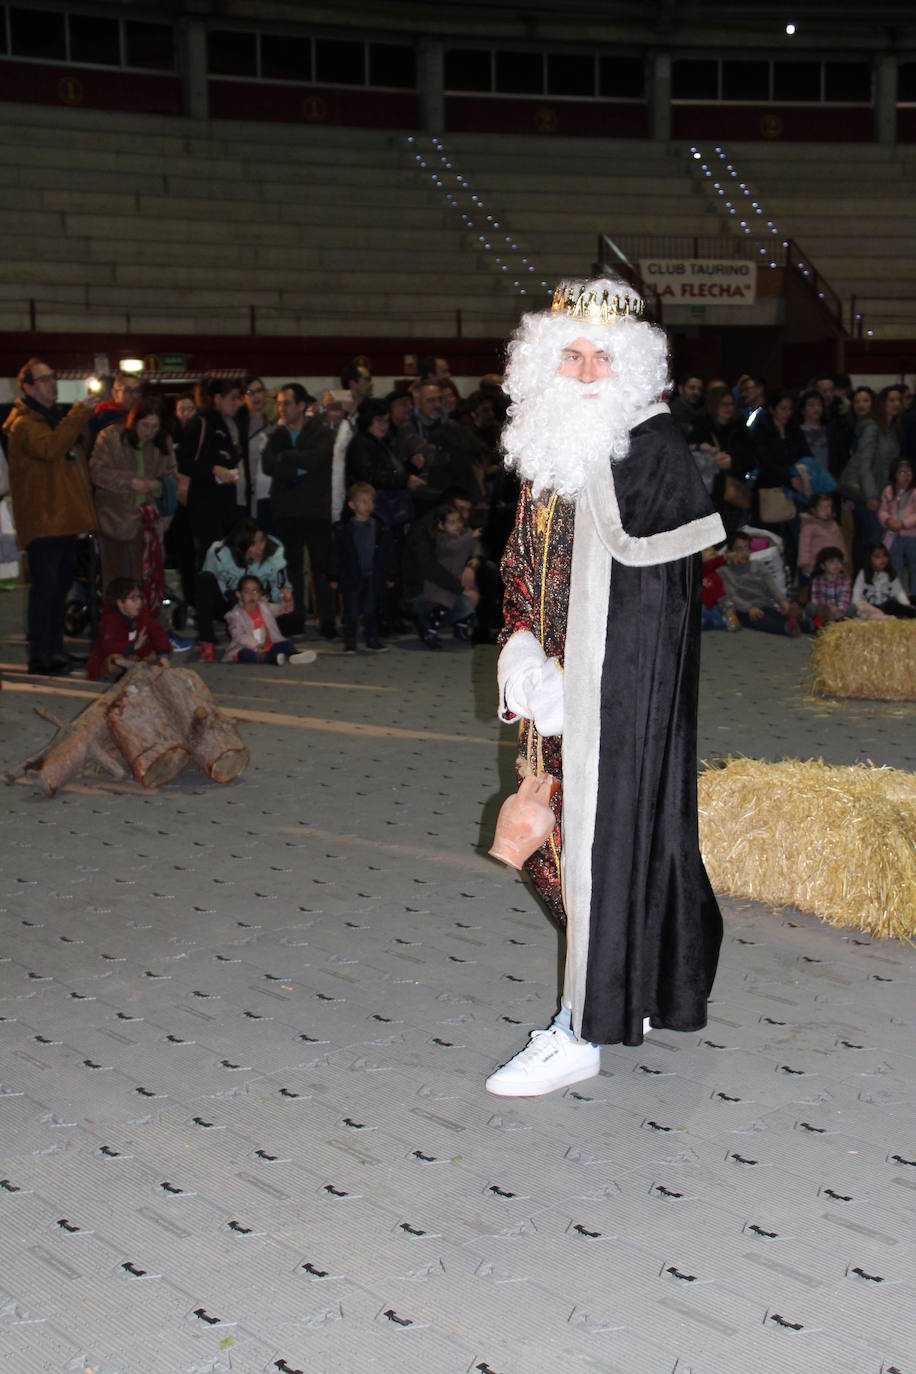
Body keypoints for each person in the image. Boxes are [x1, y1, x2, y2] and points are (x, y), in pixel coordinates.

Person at [486, 278, 725, 1098]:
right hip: (553, 689)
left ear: (633, 369)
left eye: (603, 359)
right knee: (565, 855)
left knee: (599, 850)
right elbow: (522, 566)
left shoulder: (651, 449)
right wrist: (520, 655)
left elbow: (654, 619)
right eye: (571, 355)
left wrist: (576, 693)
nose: (585, 374)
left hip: (610, 706)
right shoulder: (544, 443)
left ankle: (582, 1027)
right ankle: (639, 990)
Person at [3, 358, 96, 675]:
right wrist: (79, 414)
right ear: (27, 387)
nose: (51, 384)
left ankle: (55, 649)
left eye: (53, 378)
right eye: (43, 380)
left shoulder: (52, 419)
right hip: (44, 521)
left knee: (59, 590)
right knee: (45, 590)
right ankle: (41, 655)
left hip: (63, 520)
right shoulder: (23, 424)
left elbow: (72, 466)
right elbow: (51, 450)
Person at [262, 382, 338, 637]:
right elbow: (268, 465)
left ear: (302, 405)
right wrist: (298, 465)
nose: (282, 408)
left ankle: (326, 621)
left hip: (316, 510)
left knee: (321, 568)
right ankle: (294, 619)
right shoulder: (277, 435)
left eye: (287, 403)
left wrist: (287, 458)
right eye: (280, 403)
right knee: (291, 568)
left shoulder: (321, 432)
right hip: (286, 510)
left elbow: (317, 460)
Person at [89, 396, 178, 602]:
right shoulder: (110, 437)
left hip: (147, 522)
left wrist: (156, 486)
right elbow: (96, 471)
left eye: (155, 427)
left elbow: (172, 475)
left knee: (145, 579)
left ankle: (143, 624)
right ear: (133, 421)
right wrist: (130, 482)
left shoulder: (161, 443)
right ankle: (117, 627)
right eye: (145, 425)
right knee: (116, 581)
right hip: (113, 520)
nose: (149, 432)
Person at [196, 518, 294, 662]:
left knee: (290, 623)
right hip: (228, 602)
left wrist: (285, 599)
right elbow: (206, 588)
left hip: (258, 605)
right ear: (241, 545)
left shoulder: (273, 550)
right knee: (204, 579)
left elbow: (281, 586)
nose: (260, 547)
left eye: (262, 540)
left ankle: (277, 648)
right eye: (253, 544)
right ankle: (207, 642)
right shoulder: (218, 552)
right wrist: (230, 597)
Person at [176, 378, 243, 560]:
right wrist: (213, 468)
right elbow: (183, 461)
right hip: (205, 506)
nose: (238, 403)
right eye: (233, 398)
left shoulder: (230, 425)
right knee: (211, 558)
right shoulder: (200, 423)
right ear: (217, 399)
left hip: (225, 504)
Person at [328, 482, 394, 654]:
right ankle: (350, 642)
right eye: (363, 501)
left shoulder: (380, 527)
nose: (368, 505)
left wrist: (390, 575)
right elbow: (337, 555)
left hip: (372, 576)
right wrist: (334, 577)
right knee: (351, 612)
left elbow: (387, 554)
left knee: (371, 610)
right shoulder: (345, 530)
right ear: (352, 505)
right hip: (352, 576)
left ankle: (372, 639)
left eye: (371, 501)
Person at [415, 501, 481, 649]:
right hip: (441, 587)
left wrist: (474, 559)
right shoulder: (443, 539)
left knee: (472, 605)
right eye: (451, 522)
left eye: (458, 521)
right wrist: (471, 535)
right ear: (441, 525)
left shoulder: (464, 535)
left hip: (458, 582)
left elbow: (476, 547)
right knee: (444, 608)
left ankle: (461, 627)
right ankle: (429, 630)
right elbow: (453, 547)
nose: (457, 525)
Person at [719, 530, 811, 636]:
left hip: (765, 606)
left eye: (747, 548)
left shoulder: (758, 566)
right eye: (739, 549)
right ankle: (787, 627)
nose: (744, 553)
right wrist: (749, 608)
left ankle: (811, 624)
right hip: (743, 610)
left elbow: (772, 586)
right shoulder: (724, 572)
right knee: (761, 621)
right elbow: (732, 596)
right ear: (729, 552)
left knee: (777, 614)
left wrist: (782, 601)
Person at [690, 384, 753, 536]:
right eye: (724, 404)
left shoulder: (740, 428)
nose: (729, 408)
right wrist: (711, 461)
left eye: (731, 404)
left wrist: (733, 461)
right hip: (709, 495)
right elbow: (690, 459)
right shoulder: (701, 428)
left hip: (733, 493)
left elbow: (751, 458)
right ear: (714, 405)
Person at [86, 577, 172, 680]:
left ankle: (140, 668)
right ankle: (131, 671)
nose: (139, 602)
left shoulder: (142, 615)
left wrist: (163, 655)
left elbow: (158, 633)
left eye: (140, 598)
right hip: (114, 656)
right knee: (114, 661)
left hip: (135, 656)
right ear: (120, 603)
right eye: (133, 599)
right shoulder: (109, 620)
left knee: (161, 650)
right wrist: (133, 647)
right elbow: (108, 645)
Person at [223, 574, 318, 665]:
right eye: (247, 591)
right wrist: (256, 645)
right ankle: (271, 659)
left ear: (260, 594)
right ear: (239, 594)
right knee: (246, 654)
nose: (252, 595)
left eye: (255, 591)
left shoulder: (265, 607)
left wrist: (287, 600)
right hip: (247, 647)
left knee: (285, 644)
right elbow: (238, 635)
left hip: (269, 645)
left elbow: (282, 609)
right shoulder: (235, 615)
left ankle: (294, 655)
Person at [878, 457, 916, 594]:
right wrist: (888, 520)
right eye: (902, 472)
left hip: (913, 535)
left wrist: (904, 523)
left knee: (914, 566)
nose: (906, 475)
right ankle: (897, 596)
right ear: (894, 474)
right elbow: (882, 511)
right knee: (895, 567)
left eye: (909, 472)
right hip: (893, 536)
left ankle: (913, 597)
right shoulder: (888, 490)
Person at [242, 376, 276, 528]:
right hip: (246, 499)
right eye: (250, 392)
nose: (256, 395)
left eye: (259, 391)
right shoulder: (238, 428)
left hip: (271, 498)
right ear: (244, 398)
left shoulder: (275, 428)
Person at [851, 543, 915, 619]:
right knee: (864, 609)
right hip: (871, 607)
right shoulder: (863, 573)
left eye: (884, 555)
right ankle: (885, 617)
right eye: (877, 557)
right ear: (869, 559)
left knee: (907, 601)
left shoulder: (890, 573)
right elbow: (856, 593)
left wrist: (906, 604)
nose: (882, 559)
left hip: (887, 606)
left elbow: (899, 591)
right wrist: (859, 606)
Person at [796, 492, 844, 584]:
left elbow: (840, 542)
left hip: (834, 565)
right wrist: (805, 564)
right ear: (813, 510)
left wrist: (843, 558)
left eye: (830, 507)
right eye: (823, 508)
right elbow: (804, 547)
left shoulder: (834, 525)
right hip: (815, 566)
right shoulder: (808, 527)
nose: (827, 510)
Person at [89, 370, 142, 445]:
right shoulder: (107, 417)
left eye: (137, 390)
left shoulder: (142, 414)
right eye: (127, 390)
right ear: (114, 393)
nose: (134, 395)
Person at [808, 546, 851, 623]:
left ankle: (832, 621)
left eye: (839, 561)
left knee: (853, 608)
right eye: (832, 562)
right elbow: (815, 598)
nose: (836, 564)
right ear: (822, 566)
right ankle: (824, 621)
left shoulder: (845, 579)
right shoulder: (817, 580)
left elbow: (844, 597)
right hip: (823, 610)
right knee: (811, 607)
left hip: (839, 609)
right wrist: (828, 608)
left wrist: (839, 609)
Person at [700, 546, 740, 631]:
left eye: (714, 550)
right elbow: (711, 563)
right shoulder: (701, 569)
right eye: (707, 550)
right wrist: (726, 557)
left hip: (718, 605)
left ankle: (716, 622)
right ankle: (708, 622)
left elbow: (723, 590)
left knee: (727, 613)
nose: (712, 551)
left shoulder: (716, 572)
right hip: (704, 605)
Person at [668, 373, 704, 440]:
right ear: (680, 389)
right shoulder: (670, 411)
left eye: (699, 389)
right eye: (691, 388)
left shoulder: (701, 412)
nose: (696, 392)